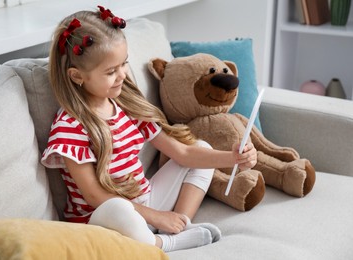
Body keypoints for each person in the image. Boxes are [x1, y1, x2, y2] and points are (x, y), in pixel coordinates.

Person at [41, 6, 257, 253]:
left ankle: (178, 226)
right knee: (118, 208)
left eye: (124, 64)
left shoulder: (126, 105)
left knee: (200, 149)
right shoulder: (69, 126)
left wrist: (233, 158)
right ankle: (165, 244)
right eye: (111, 72)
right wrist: (154, 216)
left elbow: (182, 154)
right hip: (103, 221)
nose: (122, 75)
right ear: (77, 76)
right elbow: (93, 196)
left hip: (145, 203)